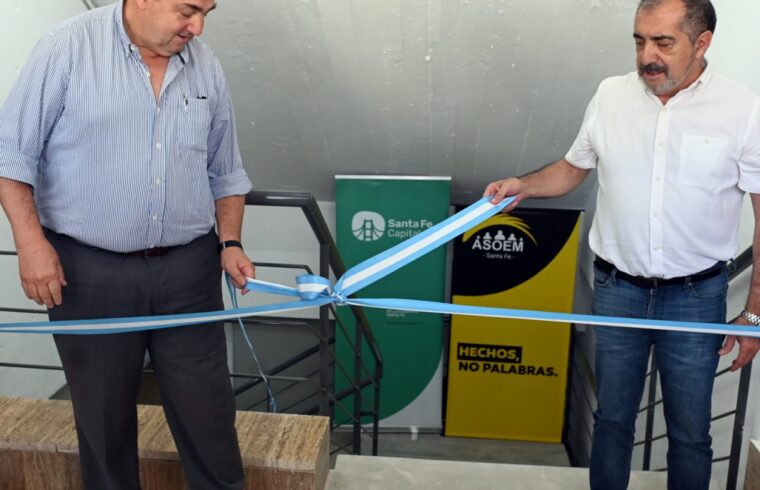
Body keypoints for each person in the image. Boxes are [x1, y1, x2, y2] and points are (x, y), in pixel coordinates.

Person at [484, 0, 760, 488]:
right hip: (617, 292)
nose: (646, 56)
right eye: (639, 40)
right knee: (611, 420)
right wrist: (522, 185)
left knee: (690, 433)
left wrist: (754, 315)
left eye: (663, 42)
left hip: (696, 299)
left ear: (702, 43)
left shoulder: (744, 110)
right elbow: (573, 168)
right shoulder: (610, 95)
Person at [0, 0, 254, 488]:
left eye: (207, 12)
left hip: (189, 273)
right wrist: (31, 246)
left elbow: (226, 171)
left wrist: (231, 242)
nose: (198, 27)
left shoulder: (205, 65)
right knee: (103, 421)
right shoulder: (65, 48)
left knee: (210, 415)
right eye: (188, 10)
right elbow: (11, 156)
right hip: (88, 275)